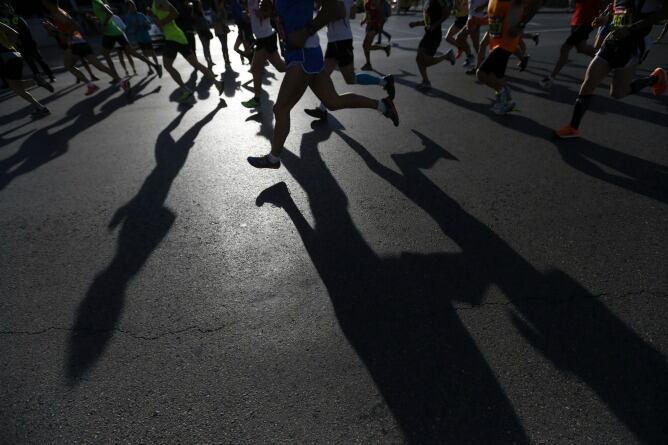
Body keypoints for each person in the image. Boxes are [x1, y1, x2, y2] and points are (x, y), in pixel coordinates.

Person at [247, 0, 399, 169]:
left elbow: (336, 7)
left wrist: (306, 31)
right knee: (333, 102)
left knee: (281, 108)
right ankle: (383, 106)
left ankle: (273, 158)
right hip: (305, 53)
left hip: (303, 55)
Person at [555, 0, 667, 138]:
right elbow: (620, 13)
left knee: (618, 93)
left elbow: (664, 12)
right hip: (612, 41)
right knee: (589, 82)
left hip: (633, 46)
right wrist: (605, 19)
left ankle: (654, 79)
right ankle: (573, 127)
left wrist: (631, 28)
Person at [304, 0, 395, 119]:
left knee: (350, 78)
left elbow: (342, 13)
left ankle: (384, 81)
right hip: (333, 41)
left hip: (343, 41)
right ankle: (322, 109)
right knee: (324, 76)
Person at [42, 0, 129, 95]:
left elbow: (72, 29)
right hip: (78, 41)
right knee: (97, 65)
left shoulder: (58, 14)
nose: (44, 5)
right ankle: (121, 82)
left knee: (69, 66)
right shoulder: (58, 12)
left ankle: (91, 85)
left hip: (75, 43)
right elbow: (69, 29)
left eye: (45, 3)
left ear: (50, 3)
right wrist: (52, 30)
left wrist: (54, 29)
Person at [476, 0, 541, 114]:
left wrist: (520, 25)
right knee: (494, 77)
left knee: (481, 74)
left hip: (505, 43)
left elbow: (536, 3)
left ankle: (504, 93)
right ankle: (507, 101)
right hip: (496, 42)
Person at [152, 0, 224, 102]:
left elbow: (175, 13)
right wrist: (154, 17)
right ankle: (217, 83)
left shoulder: (161, 1)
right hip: (174, 38)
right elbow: (160, 23)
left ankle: (185, 90)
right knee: (195, 64)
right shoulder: (154, 4)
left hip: (174, 38)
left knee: (168, 65)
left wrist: (161, 22)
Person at [539, 0, 607, 89]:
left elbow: (604, 8)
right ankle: (606, 61)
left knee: (565, 48)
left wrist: (600, 19)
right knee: (581, 48)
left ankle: (551, 78)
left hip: (585, 23)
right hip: (576, 21)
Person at [91, 0, 162, 79]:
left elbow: (110, 13)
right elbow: (106, 14)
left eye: (134, 6)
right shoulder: (97, 3)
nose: (134, 7)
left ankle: (116, 77)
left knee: (105, 54)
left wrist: (103, 24)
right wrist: (97, 20)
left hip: (110, 32)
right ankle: (155, 66)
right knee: (132, 52)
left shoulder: (97, 2)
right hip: (117, 32)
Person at [0, 21, 51, 118]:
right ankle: (40, 107)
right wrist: (10, 45)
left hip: (4, 58)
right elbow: (15, 33)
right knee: (16, 86)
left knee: (16, 86)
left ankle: (36, 82)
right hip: (14, 55)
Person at [241, 0, 286, 108]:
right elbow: (254, 16)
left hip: (266, 39)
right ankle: (299, 68)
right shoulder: (251, 2)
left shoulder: (261, 1)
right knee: (280, 67)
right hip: (263, 38)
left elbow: (267, 13)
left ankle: (256, 99)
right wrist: (249, 15)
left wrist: (260, 13)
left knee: (255, 69)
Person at [0, 2, 55, 83]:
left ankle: (50, 76)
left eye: (6, 9)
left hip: (28, 43)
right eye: (3, 9)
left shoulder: (17, 18)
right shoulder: (4, 21)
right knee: (31, 63)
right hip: (20, 45)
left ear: (10, 9)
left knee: (39, 60)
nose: (6, 11)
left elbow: (26, 31)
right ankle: (41, 79)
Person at [409, 0, 456, 90]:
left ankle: (446, 56)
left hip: (434, 35)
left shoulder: (438, 1)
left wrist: (435, 25)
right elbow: (428, 20)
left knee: (426, 61)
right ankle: (426, 81)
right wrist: (416, 23)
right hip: (428, 34)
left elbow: (446, 14)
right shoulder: (428, 2)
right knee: (419, 59)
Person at [124, 0, 160, 74]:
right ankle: (150, 68)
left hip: (147, 37)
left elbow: (149, 26)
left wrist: (146, 24)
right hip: (139, 38)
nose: (134, 7)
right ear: (128, 8)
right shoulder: (128, 18)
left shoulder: (141, 15)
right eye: (132, 6)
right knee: (145, 53)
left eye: (134, 5)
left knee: (152, 52)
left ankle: (157, 65)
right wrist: (135, 27)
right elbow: (129, 31)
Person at [361, 0, 391, 70]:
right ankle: (384, 48)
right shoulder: (367, 3)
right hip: (369, 26)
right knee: (365, 46)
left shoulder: (375, 2)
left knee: (366, 46)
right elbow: (367, 14)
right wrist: (364, 21)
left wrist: (373, 22)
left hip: (374, 27)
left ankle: (368, 64)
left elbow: (381, 15)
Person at [448, 0, 475, 67]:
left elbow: (462, 7)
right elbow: (456, 8)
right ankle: (466, 53)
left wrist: (456, 8)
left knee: (457, 39)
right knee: (458, 39)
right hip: (459, 18)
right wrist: (454, 10)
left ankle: (468, 55)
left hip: (464, 18)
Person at [212, 0, 231, 65]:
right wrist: (220, 10)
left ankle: (227, 58)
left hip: (224, 29)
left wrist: (223, 9)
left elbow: (226, 17)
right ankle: (225, 58)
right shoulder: (213, 11)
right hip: (219, 30)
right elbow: (217, 18)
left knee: (225, 45)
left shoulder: (222, 9)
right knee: (223, 45)